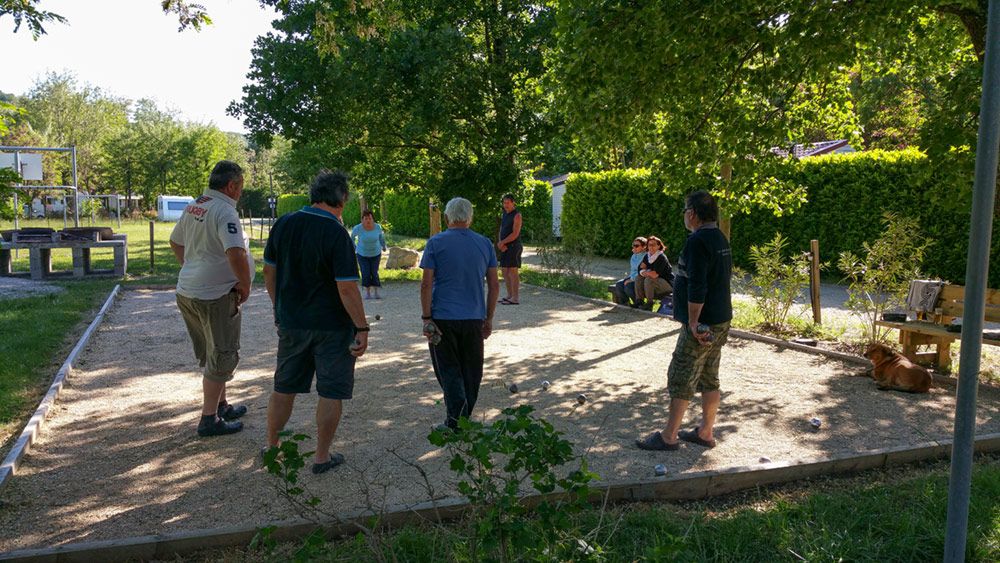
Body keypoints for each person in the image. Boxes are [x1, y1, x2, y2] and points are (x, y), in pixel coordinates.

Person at [262, 170, 370, 475]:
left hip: (293, 321)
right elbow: (347, 288)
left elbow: (269, 272)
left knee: (283, 386)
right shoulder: (336, 232)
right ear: (342, 198)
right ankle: (321, 456)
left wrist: (279, 308)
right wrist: (362, 327)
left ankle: (273, 448)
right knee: (331, 391)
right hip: (333, 326)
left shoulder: (284, 223)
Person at [636, 190, 732, 451]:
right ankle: (705, 432)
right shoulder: (720, 238)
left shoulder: (697, 242)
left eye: (684, 211)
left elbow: (697, 286)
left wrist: (692, 322)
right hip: (722, 317)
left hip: (703, 322)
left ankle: (669, 436)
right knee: (710, 375)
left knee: (682, 374)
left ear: (692, 214)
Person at [169, 160, 253, 437]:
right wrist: (245, 284)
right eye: (240, 187)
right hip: (215, 296)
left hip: (189, 291)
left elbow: (175, 241)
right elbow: (236, 253)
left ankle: (222, 404)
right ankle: (209, 419)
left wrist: (190, 267)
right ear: (231, 185)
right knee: (222, 354)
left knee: (210, 351)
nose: (240, 193)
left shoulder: (197, 204)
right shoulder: (224, 210)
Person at [420, 197, 500, 430]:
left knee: (448, 369)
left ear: (447, 218)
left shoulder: (435, 243)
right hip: (474, 317)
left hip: (442, 317)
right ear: (470, 217)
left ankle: (455, 422)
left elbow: (426, 284)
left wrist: (426, 318)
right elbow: (494, 285)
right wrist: (489, 316)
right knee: (472, 370)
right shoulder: (484, 244)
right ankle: (463, 419)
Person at [350, 209, 388, 299]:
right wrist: (354, 247)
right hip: (362, 254)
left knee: (374, 272)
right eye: (366, 219)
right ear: (362, 220)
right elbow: (351, 238)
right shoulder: (358, 228)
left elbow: (381, 238)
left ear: (373, 219)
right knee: (365, 272)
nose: (368, 221)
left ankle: (376, 292)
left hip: (376, 253)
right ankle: (367, 293)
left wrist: (384, 246)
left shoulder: (378, 227)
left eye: (370, 218)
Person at [634, 235, 674, 311]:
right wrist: (646, 272)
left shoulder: (661, 257)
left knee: (649, 279)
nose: (651, 247)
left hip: (667, 285)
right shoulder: (647, 256)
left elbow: (654, 275)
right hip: (655, 284)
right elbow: (640, 269)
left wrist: (645, 271)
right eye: (649, 245)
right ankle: (639, 301)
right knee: (638, 278)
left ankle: (649, 304)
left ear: (659, 246)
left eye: (653, 245)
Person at [497, 193, 522, 305]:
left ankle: (515, 298)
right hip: (505, 246)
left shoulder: (517, 215)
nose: (505, 205)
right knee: (504, 271)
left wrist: (503, 242)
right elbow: (501, 230)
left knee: (513, 272)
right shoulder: (504, 214)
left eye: (508, 202)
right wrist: (500, 243)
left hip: (513, 246)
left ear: (513, 203)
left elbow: (515, 233)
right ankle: (509, 295)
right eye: (504, 202)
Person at [611, 237, 648, 306]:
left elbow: (643, 272)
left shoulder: (647, 257)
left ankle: (639, 304)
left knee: (628, 286)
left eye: (637, 246)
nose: (634, 247)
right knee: (619, 284)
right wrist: (630, 279)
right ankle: (625, 304)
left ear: (644, 247)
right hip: (632, 277)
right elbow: (633, 271)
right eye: (633, 245)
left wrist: (632, 280)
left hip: (640, 280)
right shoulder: (634, 256)